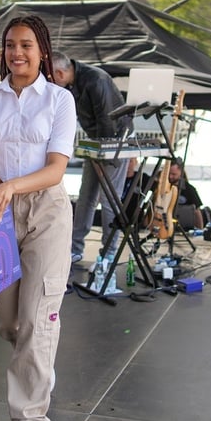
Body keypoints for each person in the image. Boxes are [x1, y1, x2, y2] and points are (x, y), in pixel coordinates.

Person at [0, 15, 76, 421]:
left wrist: (12, 187)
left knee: (38, 316)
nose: (17, 52)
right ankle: (38, 365)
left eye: (27, 45)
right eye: (11, 45)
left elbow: (56, 169)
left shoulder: (59, 99)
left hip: (47, 208)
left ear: (42, 51)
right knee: (11, 322)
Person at [51, 51, 132, 263]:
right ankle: (75, 248)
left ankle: (109, 252)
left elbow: (107, 121)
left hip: (113, 144)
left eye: (51, 78)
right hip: (96, 143)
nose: (50, 82)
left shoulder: (96, 79)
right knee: (86, 196)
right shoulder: (71, 83)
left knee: (109, 199)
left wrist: (103, 155)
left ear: (60, 73)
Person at [168, 157, 205, 230]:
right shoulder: (163, 187)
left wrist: (200, 230)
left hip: (184, 228)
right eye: (168, 174)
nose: (170, 176)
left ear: (181, 172)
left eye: (173, 174)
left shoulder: (190, 189)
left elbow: (197, 211)